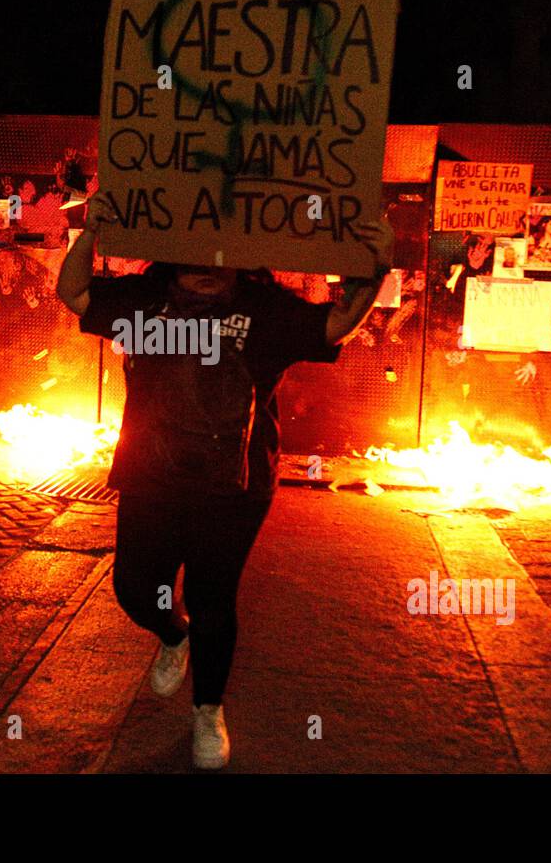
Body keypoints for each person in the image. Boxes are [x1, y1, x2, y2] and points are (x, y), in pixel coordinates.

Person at [56, 192, 392, 769]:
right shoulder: (143, 298)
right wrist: (89, 233)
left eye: (219, 253)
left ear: (243, 253)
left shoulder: (266, 308)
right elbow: (73, 293)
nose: (205, 265)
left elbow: (335, 323)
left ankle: (207, 710)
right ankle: (174, 635)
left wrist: (379, 262)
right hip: (150, 472)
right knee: (135, 588)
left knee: (214, 599)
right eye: (191, 253)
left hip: (234, 486)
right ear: (169, 250)